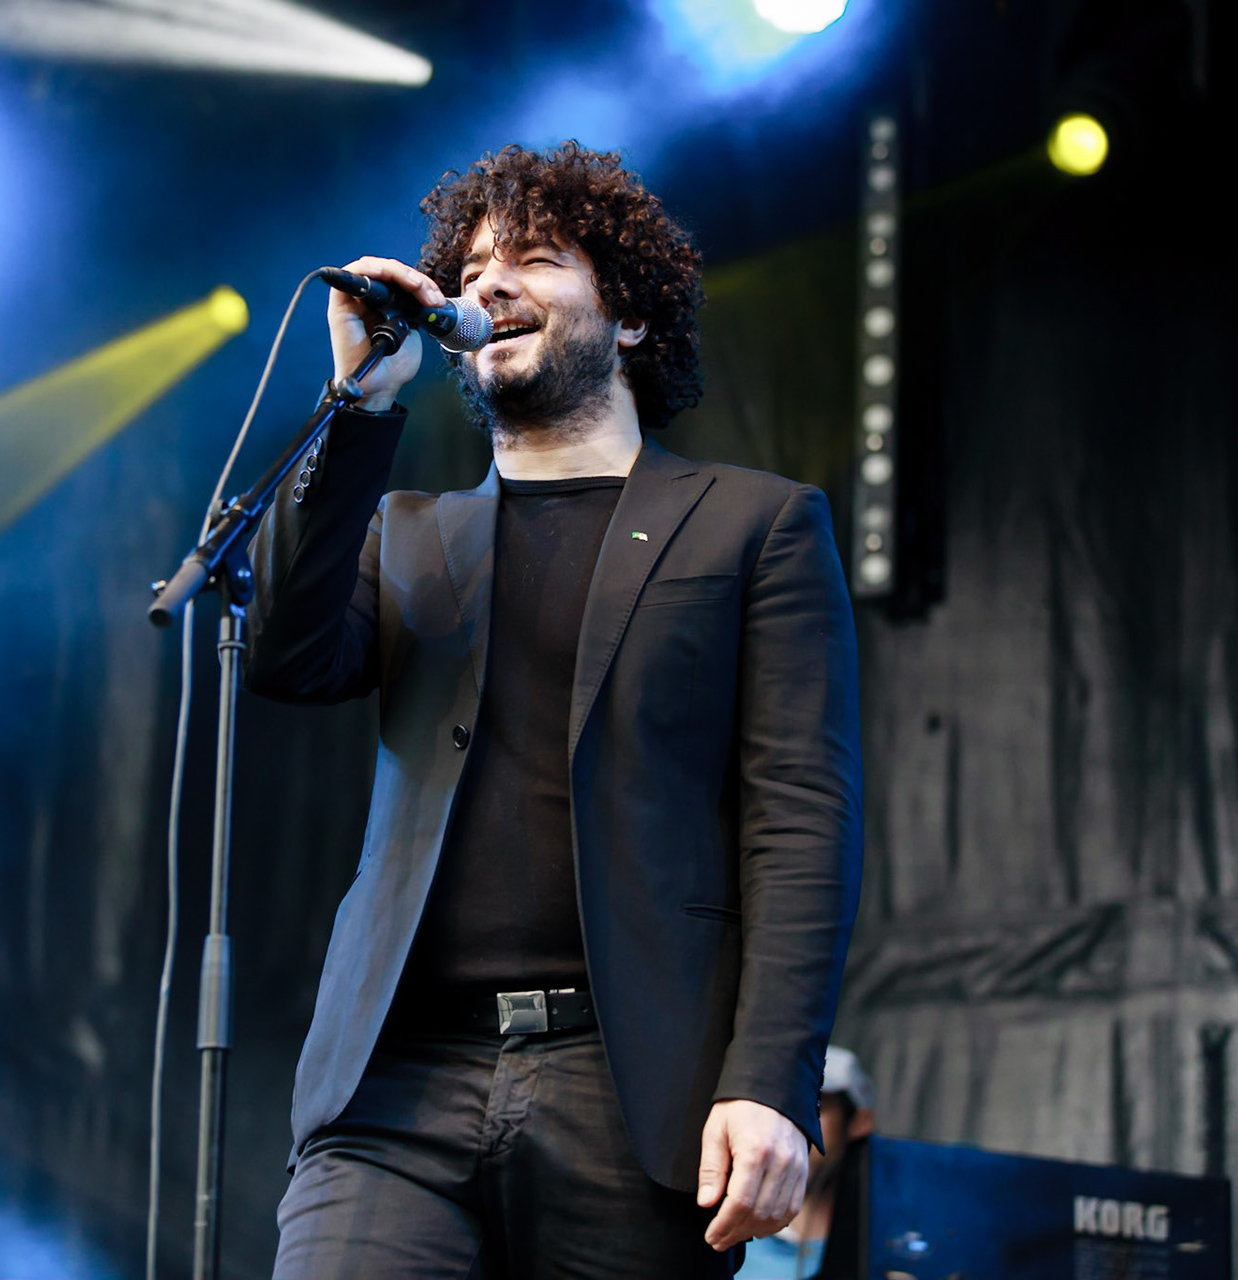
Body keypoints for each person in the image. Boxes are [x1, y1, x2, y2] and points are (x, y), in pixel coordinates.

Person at [244, 142, 863, 1278]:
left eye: (533, 258)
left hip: (626, 1086)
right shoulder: (414, 531)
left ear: (627, 320)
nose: (488, 283)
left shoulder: (752, 523)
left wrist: (768, 1077)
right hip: (396, 1082)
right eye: (474, 267)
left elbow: (802, 819)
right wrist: (360, 406)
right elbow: (285, 657)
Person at [735, 1046, 878, 1279]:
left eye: (815, 1104)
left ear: (860, 1122)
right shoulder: (720, 1228)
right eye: (779, 1104)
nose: (789, 1123)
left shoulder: (881, 1239)